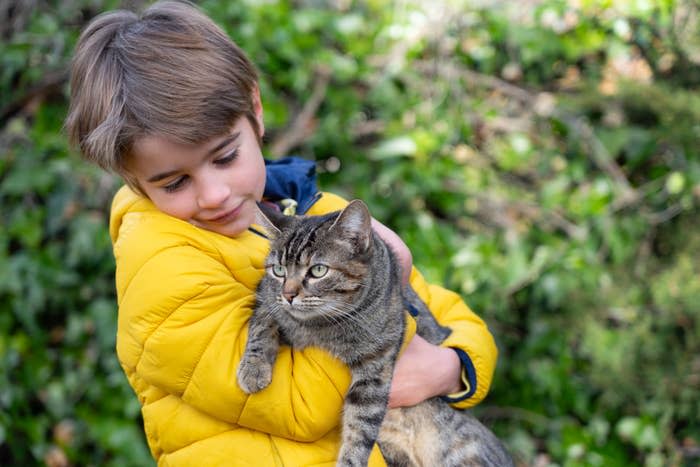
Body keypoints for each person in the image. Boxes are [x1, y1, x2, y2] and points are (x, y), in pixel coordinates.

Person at [65, 1, 498, 465]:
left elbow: (455, 318)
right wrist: (390, 332)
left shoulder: (319, 216)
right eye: (174, 182)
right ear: (132, 180)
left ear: (255, 110)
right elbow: (295, 404)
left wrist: (451, 368)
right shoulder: (160, 266)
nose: (213, 195)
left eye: (225, 157)